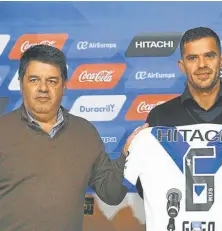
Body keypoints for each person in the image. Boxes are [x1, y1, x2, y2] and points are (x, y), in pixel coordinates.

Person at [123, 27, 222, 225]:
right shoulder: (160, 117)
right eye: (192, 58)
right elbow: (147, 189)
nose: (202, 65)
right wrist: (131, 154)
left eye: (209, 56)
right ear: (181, 65)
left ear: (221, 60)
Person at [0, 45, 129, 231]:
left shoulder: (85, 132)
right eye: (34, 80)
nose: (43, 88)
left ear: (64, 86)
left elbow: (112, 193)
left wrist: (128, 156)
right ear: (21, 83)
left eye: (52, 81)